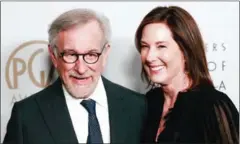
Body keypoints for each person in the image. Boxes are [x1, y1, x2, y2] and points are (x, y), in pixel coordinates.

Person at [4, 8, 146, 144]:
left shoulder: (137, 106)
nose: (81, 69)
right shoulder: (26, 115)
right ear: (54, 56)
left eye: (91, 55)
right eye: (70, 55)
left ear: (105, 53)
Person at [135, 6, 239, 143]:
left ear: (185, 51)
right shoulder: (148, 103)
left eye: (161, 46)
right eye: (145, 46)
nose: (149, 56)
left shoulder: (212, 106)